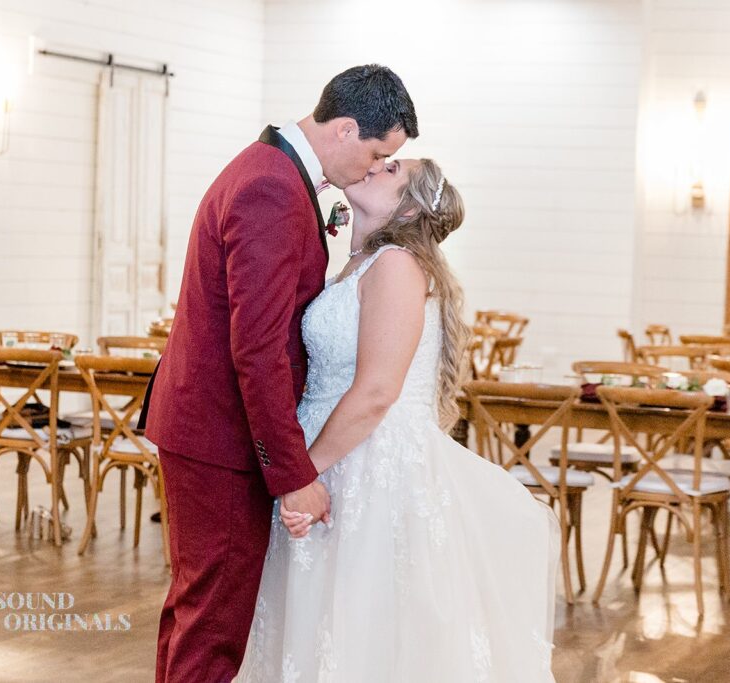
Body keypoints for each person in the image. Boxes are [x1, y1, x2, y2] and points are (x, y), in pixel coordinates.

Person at [142, 65, 419, 682]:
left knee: (195, 613)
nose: (375, 169)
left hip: (209, 431)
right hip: (221, 438)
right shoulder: (271, 185)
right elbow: (258, 350)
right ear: (346, 129)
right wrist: (293, 476)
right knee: (212, 629)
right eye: (377, 153)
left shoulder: (271, 170)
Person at [236, 159, 560, 682]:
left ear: (407, 206)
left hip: (367, 464)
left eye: (389, 169)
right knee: (319, 626)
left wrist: (302, 473)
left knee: (365, 628)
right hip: (332, 456)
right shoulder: (359, 262)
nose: (372, 166)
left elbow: (377, 392)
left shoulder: (396, 265)